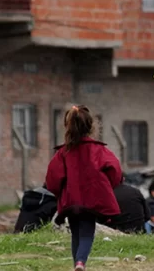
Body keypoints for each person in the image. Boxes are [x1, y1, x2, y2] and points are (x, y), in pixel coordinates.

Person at [45, 105, 122, 271]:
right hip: (91, 200)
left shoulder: (63, 153)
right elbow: (115, 170)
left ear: (68, 126)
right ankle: (81, 263)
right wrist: (105, 187)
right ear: (91, 126)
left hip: (71, 201)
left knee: (75, 233)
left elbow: (52, 179)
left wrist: (61, 192)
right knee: (87, 233)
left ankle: (77, 264)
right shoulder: (99, 150)